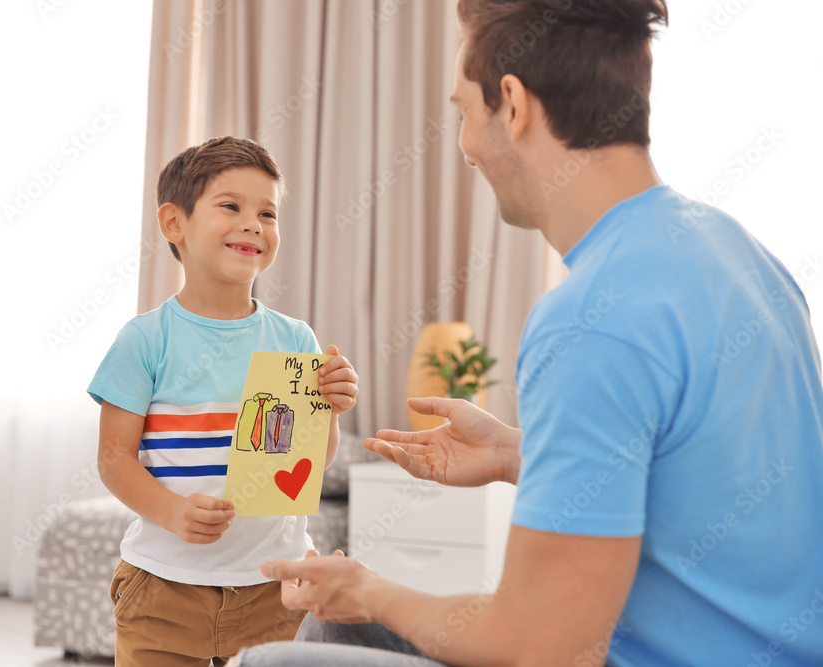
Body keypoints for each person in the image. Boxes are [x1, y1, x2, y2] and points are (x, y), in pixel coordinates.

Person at [228, 1, 823, 665]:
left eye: (463, 113)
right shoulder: (740, 254)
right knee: (342, 632)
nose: (466, 148)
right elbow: (702, 476)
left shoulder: (593, 315)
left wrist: (367, 587)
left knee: (271, 659)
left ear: (511, 103)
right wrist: (521, 453)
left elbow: (538, 644)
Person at [88, 136, 360, 666]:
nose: (253, 224)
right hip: (165, 587)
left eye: (268, 212)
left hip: (273, 586)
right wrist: (172, 512)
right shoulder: (145, 340)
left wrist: (329, 408)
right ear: (174, 224)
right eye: (231, 206)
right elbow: (112, 458)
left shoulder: (296, 338)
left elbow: (307, 462)